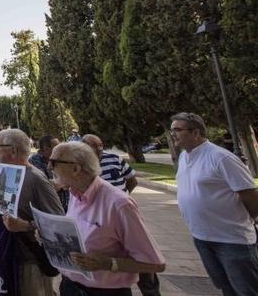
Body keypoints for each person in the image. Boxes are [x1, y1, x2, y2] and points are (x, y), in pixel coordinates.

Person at [49, 141, 165, 295]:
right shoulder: (75, 193)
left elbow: (155, 264)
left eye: (54, 163)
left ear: (76, 168)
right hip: (71, 286)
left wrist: (108, 263)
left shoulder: (119, 204)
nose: (49, 167)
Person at [171, 112, 258, 296]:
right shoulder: (184, 156)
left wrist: (250, 220)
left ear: (196, 132)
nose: (173, 134)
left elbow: (249, 193)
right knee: (225, 287)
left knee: (247, 289)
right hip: (202, 238)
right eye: (172, 130)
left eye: (178, 130)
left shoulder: (221, 157)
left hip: (232, 240)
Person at [81, 133, 158, 295]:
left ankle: (150, 290)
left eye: (101, 145)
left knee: (143, 257)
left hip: (124, 215)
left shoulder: (114, 159)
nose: (99, 149)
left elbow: (132, 179)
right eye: (94, 146)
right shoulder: (83, 166)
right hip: (103, 221)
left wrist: (122, 200)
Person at [0, 128, 64, 296]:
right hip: (10, 257)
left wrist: (26, 226)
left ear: (13, 150)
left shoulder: (36, 179)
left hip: (32, 263)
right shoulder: (6, 174)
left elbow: (59, 223)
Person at [30, 135, 70, 210]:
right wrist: (64, 183)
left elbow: (71, 179)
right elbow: (46, 185)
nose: (60, 149)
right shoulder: (35, 160)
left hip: (67, 205)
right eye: (57, 147)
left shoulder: (62, 158)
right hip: (51, 208)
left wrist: (63, 183)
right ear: (46, 149)